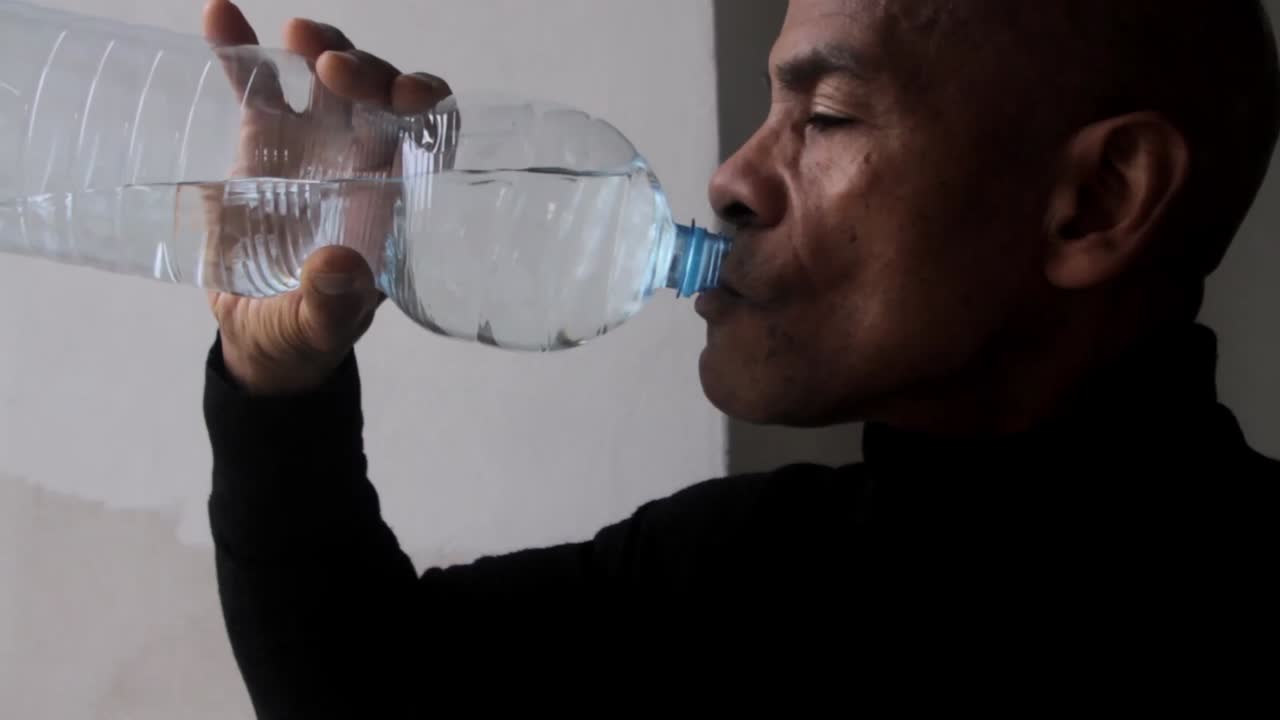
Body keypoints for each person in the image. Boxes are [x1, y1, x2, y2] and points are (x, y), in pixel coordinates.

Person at [199, 0, 1278, 714]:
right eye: (771, 106)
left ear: (1098, 199)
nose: (729, 179)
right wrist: (276, 386)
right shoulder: (741, 578)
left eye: (829, 114)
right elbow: (364, 683)